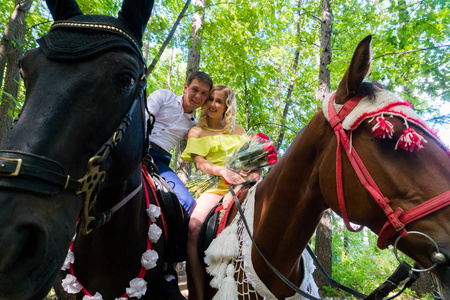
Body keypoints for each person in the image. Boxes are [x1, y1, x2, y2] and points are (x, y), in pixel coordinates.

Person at [180, 84, 260, 300]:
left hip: (243, 187)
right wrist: (222, 171)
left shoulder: (240, 131)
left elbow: (252, 162)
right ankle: (196, 292)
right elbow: (198, 162)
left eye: (218, 100)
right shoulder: (196, 130)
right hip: (215, 187)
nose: (212, 104)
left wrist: (254, 174)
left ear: (227, 105)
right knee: (194, 228)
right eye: (210, 99)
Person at [146, 71, 213, 299]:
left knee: (188, 204)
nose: (197, 96)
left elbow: (206, 145)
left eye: (204, 94)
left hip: (161, 160)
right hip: (136, 147)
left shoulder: (193, 124)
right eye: (195, 89)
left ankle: (169, 266)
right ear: (185, 87)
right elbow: (145, 115)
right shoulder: (164, 96)